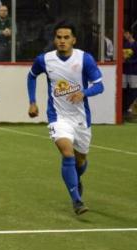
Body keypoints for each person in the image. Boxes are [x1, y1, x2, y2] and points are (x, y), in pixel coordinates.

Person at [27, 21, 104, 215]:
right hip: (58, 117)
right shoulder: (44, 59)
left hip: (81, 119)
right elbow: (31, 76)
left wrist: (84, 93)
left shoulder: (84, 59)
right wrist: (32, 102)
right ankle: (77, 201)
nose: (62, 41)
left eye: (66, 37)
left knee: (80, 160)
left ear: (73, 40)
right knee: (67, 152)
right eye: (59, 37)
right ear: (54, 39)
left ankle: (76, 180)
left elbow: (99, 86)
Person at [123, 30, 137, 120]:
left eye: (127, 34)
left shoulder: (136, 45)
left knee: (133, 89)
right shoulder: (124, 44)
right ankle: (125, 108)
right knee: (125, 89)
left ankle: (132, 108)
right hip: (125, 70)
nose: (125, 35)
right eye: (124, 34)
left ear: (131, 34)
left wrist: (131, 62)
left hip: (134, 70)